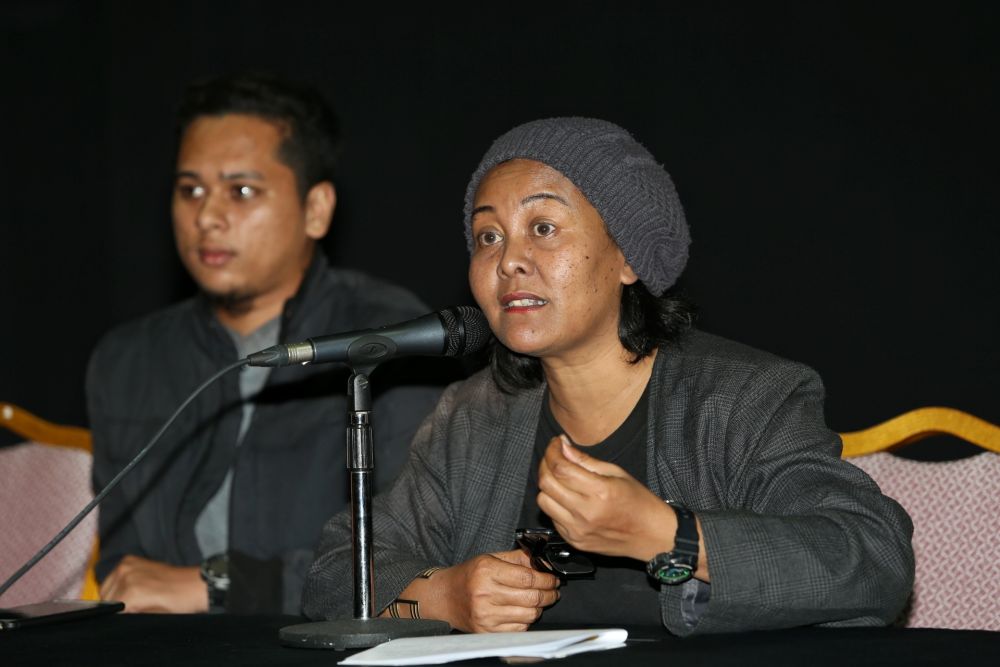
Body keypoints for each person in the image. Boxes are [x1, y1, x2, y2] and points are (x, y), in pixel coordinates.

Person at [301, 117, 915, 635]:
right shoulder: (473, 414)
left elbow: (874, 563)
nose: (508, 259)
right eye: (488, 236)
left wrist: (669, 536)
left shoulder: (742, 398)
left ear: (627, 255)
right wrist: (445, 596)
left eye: (543, 228)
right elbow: (334, 572)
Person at [87, 73, 445, 615]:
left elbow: (415, 556)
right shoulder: (127, 359)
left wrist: (220, 586)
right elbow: (124, 562)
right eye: (191, 191)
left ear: (316, 209)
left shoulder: (387, 340)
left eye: (242, 191)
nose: (207, 217)